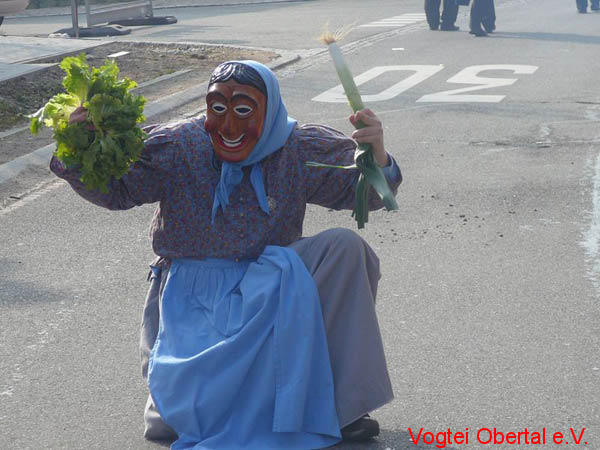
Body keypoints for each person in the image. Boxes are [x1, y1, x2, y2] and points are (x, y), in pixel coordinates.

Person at [51, 60, 401, 449]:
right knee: (173, 423)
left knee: (346, 248)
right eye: (217, 109)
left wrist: (377, 156)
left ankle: (343, 407)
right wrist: (78, 147)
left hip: (269, 298)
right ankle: (182, 392)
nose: (229, 127)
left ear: (269, 112)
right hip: (195, 302)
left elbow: (368, 194)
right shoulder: (179, 144)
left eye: (244, 111)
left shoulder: (297, 147)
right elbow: (118, 189)